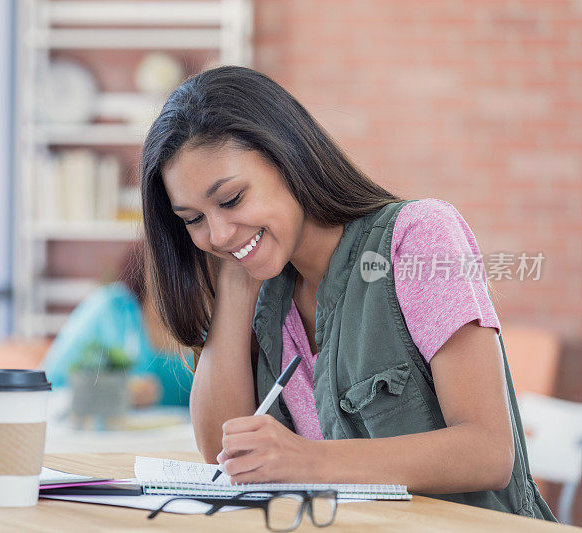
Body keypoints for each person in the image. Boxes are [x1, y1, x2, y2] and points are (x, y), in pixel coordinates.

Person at [139, 66, 555, 519]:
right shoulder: (263, 286)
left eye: (232, 199)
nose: (215, 234)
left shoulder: (419, 237)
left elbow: (488, 452)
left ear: (288, 158)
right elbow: (221, 451)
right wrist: (237, 278)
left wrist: (307, 461)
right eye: (192, 219)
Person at [43, 242, 192, 407]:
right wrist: (112, 395)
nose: (176, 273)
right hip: (117, 431)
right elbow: (48, 386)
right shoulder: (108, 309)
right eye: (164, 261)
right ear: (145, 264)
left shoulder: (212, 321)